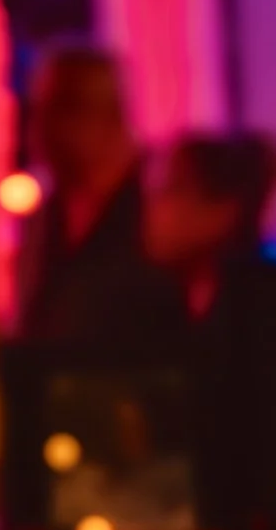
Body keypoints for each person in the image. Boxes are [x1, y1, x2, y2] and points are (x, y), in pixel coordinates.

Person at [14, 43, 179, 346]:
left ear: (110, 115)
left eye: (60, 109)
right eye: (37, 111)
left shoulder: (162, 205)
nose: (39, 130)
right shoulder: (47, 213)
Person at [142, 131, 276, 321]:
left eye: (172, 188)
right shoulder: (153, 305)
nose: (153, 204)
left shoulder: (256, 318)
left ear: (223, 211)